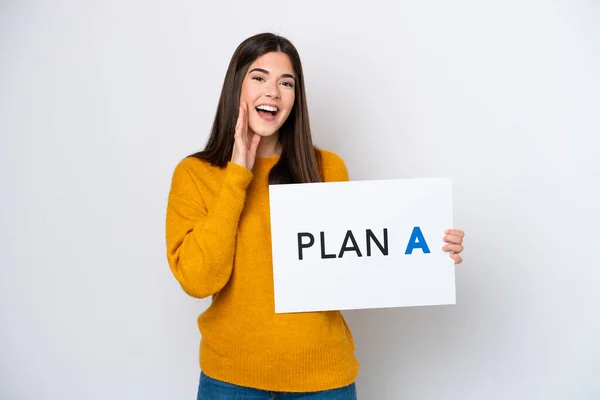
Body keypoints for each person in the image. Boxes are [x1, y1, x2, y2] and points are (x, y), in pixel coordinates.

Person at [165, 32, 465, 400]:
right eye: (259, 77)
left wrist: (430, 248)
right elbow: (198, 280)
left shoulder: (327, 168)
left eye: (286, 83)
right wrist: (237, 176)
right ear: (236, 87)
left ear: (295, 98)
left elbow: (355, 260)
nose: (273, 91)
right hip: (229, 380)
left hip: (323, 379)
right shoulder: (196, 174)